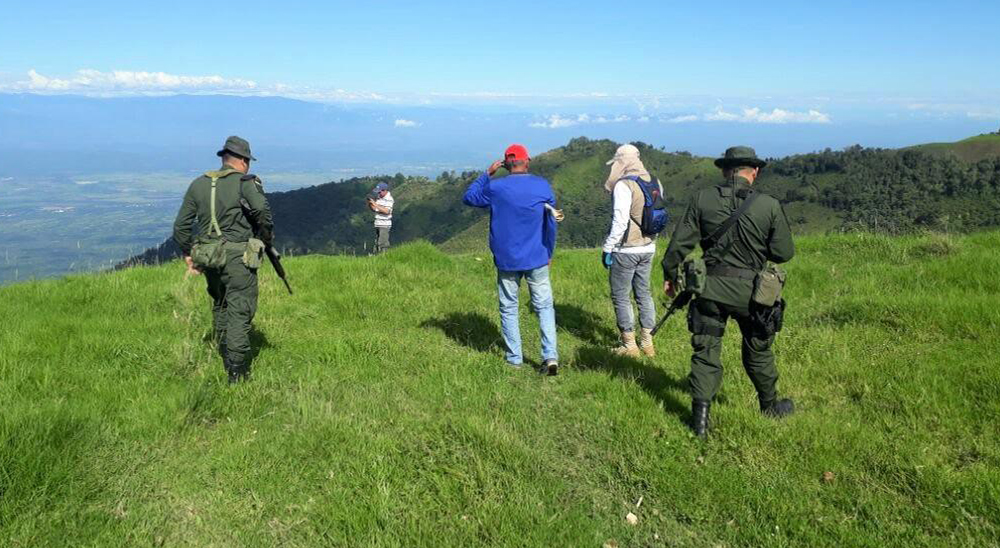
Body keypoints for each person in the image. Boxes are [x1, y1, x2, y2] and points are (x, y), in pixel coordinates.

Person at [662, 146, 795, 436]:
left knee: (706, 351)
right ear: (754, 172)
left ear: (724, 170)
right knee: (758, 349)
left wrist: (670, 275)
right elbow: (784, 253)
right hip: (753, 295)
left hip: (710, 290)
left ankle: (699, 422)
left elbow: (679, 244)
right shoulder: (769, 205)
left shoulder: (702, 199)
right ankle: (769, 406)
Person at [173, 136, 274, 384]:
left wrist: (189, 254)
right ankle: (236, 369)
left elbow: (180, 228)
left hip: (209, 256)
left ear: (223, 159)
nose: (248, 165)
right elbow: (262, 210)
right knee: (240, 308)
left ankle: (222, 350)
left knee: (220, 302)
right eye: (247, 160)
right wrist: (265, 236)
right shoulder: (245, 182)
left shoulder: (198, 184)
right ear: (241, 161)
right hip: (238, 256)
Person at [463, 144, 560, 375]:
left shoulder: (496, 188)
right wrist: (549, 252)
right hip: (537, 256)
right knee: (544, 306)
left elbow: (469, 198)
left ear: (506, 165)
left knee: (509, 307)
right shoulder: (542, 186)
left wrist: (487, 174)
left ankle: (514, 358)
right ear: (527, 162)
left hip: (507, 258)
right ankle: (550, 356)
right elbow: (552, 220)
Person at [601, 144, 662, 358]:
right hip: (649, 247)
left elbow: (619, 221)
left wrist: (608, 247)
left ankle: (630, 344)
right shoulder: (653, 181)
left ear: (621, 162)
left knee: (621, 295)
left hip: (626, 249)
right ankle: (648, 342)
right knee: (644, 293)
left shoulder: (624, 185)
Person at [367, 182, 394, 253]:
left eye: (379, 192)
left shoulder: (389, 199)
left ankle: (385, 256)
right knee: (377, 242)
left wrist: (375, 204)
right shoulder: (379, 198)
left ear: (384, 190)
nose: (378, 194)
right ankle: (378, 255)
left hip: (384, 224)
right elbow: (375, 209)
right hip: (378, 223)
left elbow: (386, 211)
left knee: (383, 243)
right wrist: (370, 204)